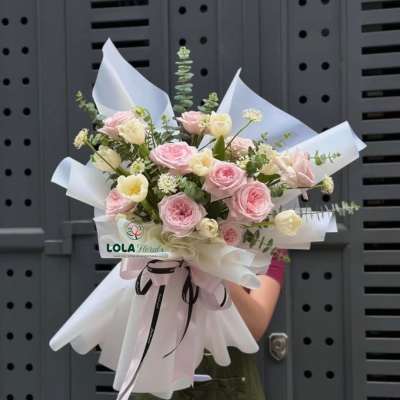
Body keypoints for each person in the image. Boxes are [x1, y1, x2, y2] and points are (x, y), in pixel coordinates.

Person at [135, 252, 286, 400]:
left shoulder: (264, 244)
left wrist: (209, 258)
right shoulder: (148, 242)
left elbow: (255, 326)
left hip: (230, 382)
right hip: (160, 372)